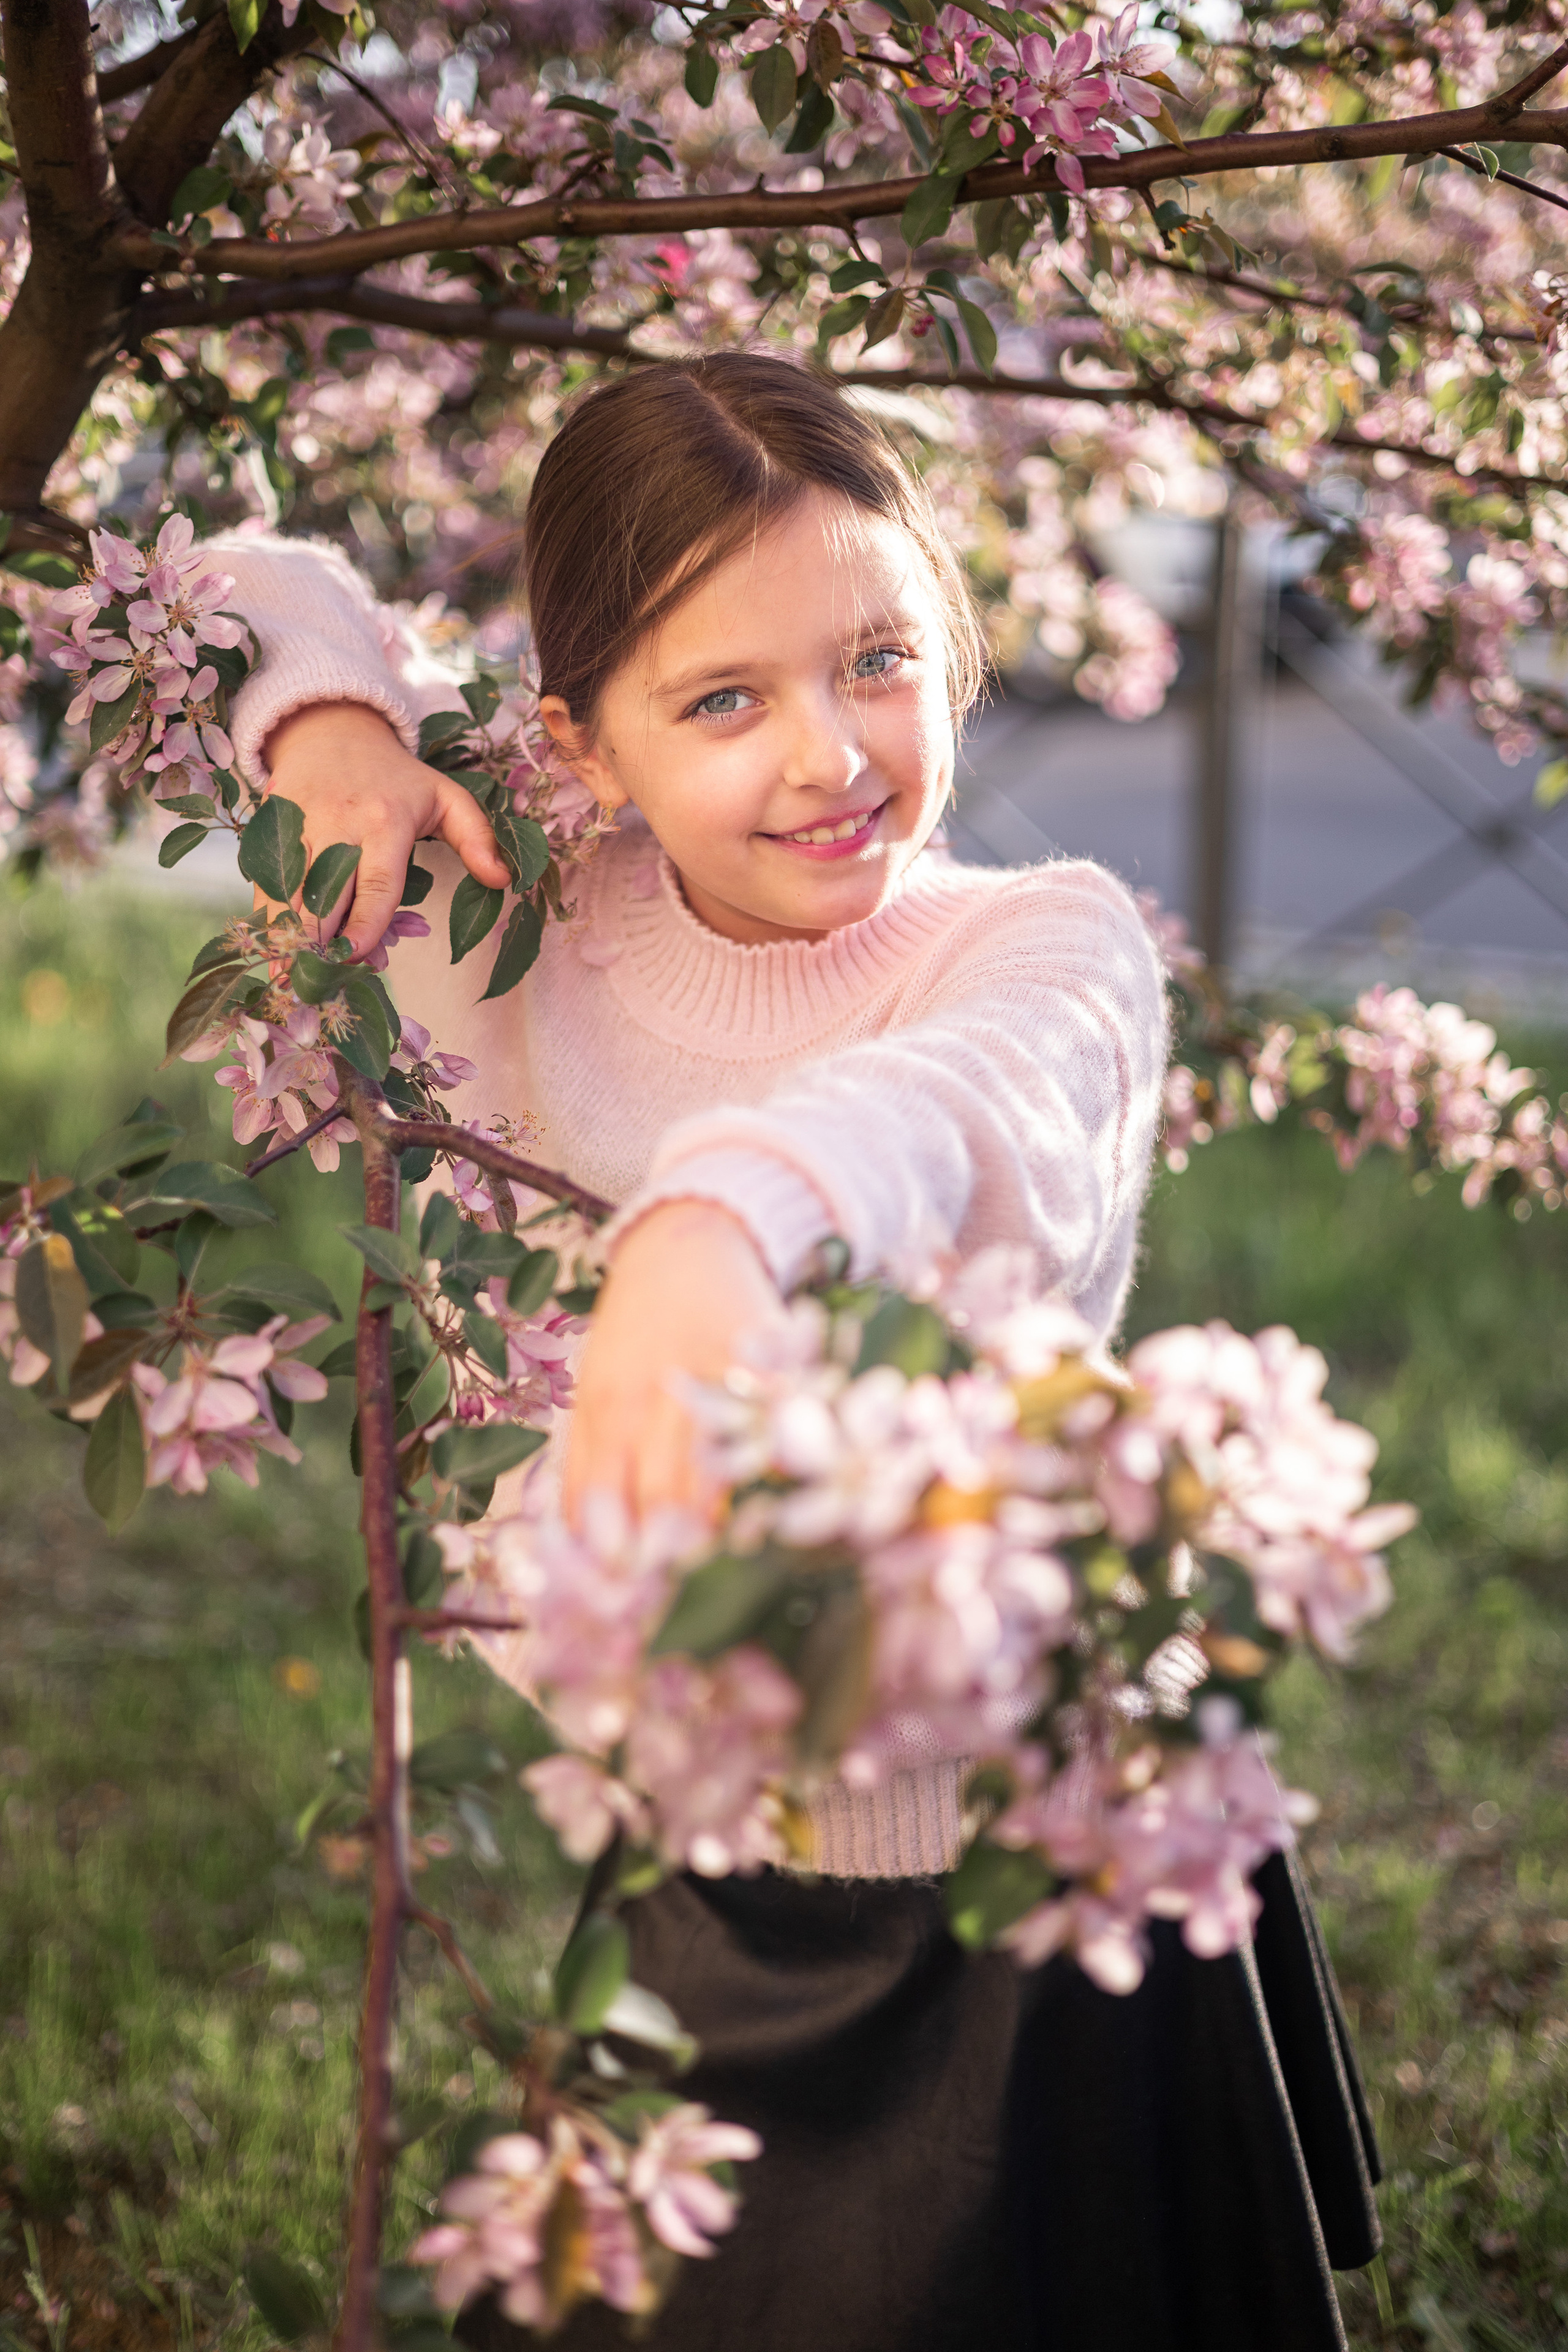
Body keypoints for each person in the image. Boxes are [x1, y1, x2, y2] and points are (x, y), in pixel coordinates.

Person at [205, 354, 1381, 2351]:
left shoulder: (1046, 951)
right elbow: (219, 570)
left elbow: (943, 1119)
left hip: (1030, 1845)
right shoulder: (524, 908)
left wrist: (713, 1230)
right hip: (712, 1843)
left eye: (880, 660)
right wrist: (331, 732)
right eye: (724, 701)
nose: (833, 755)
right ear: (583, 742)